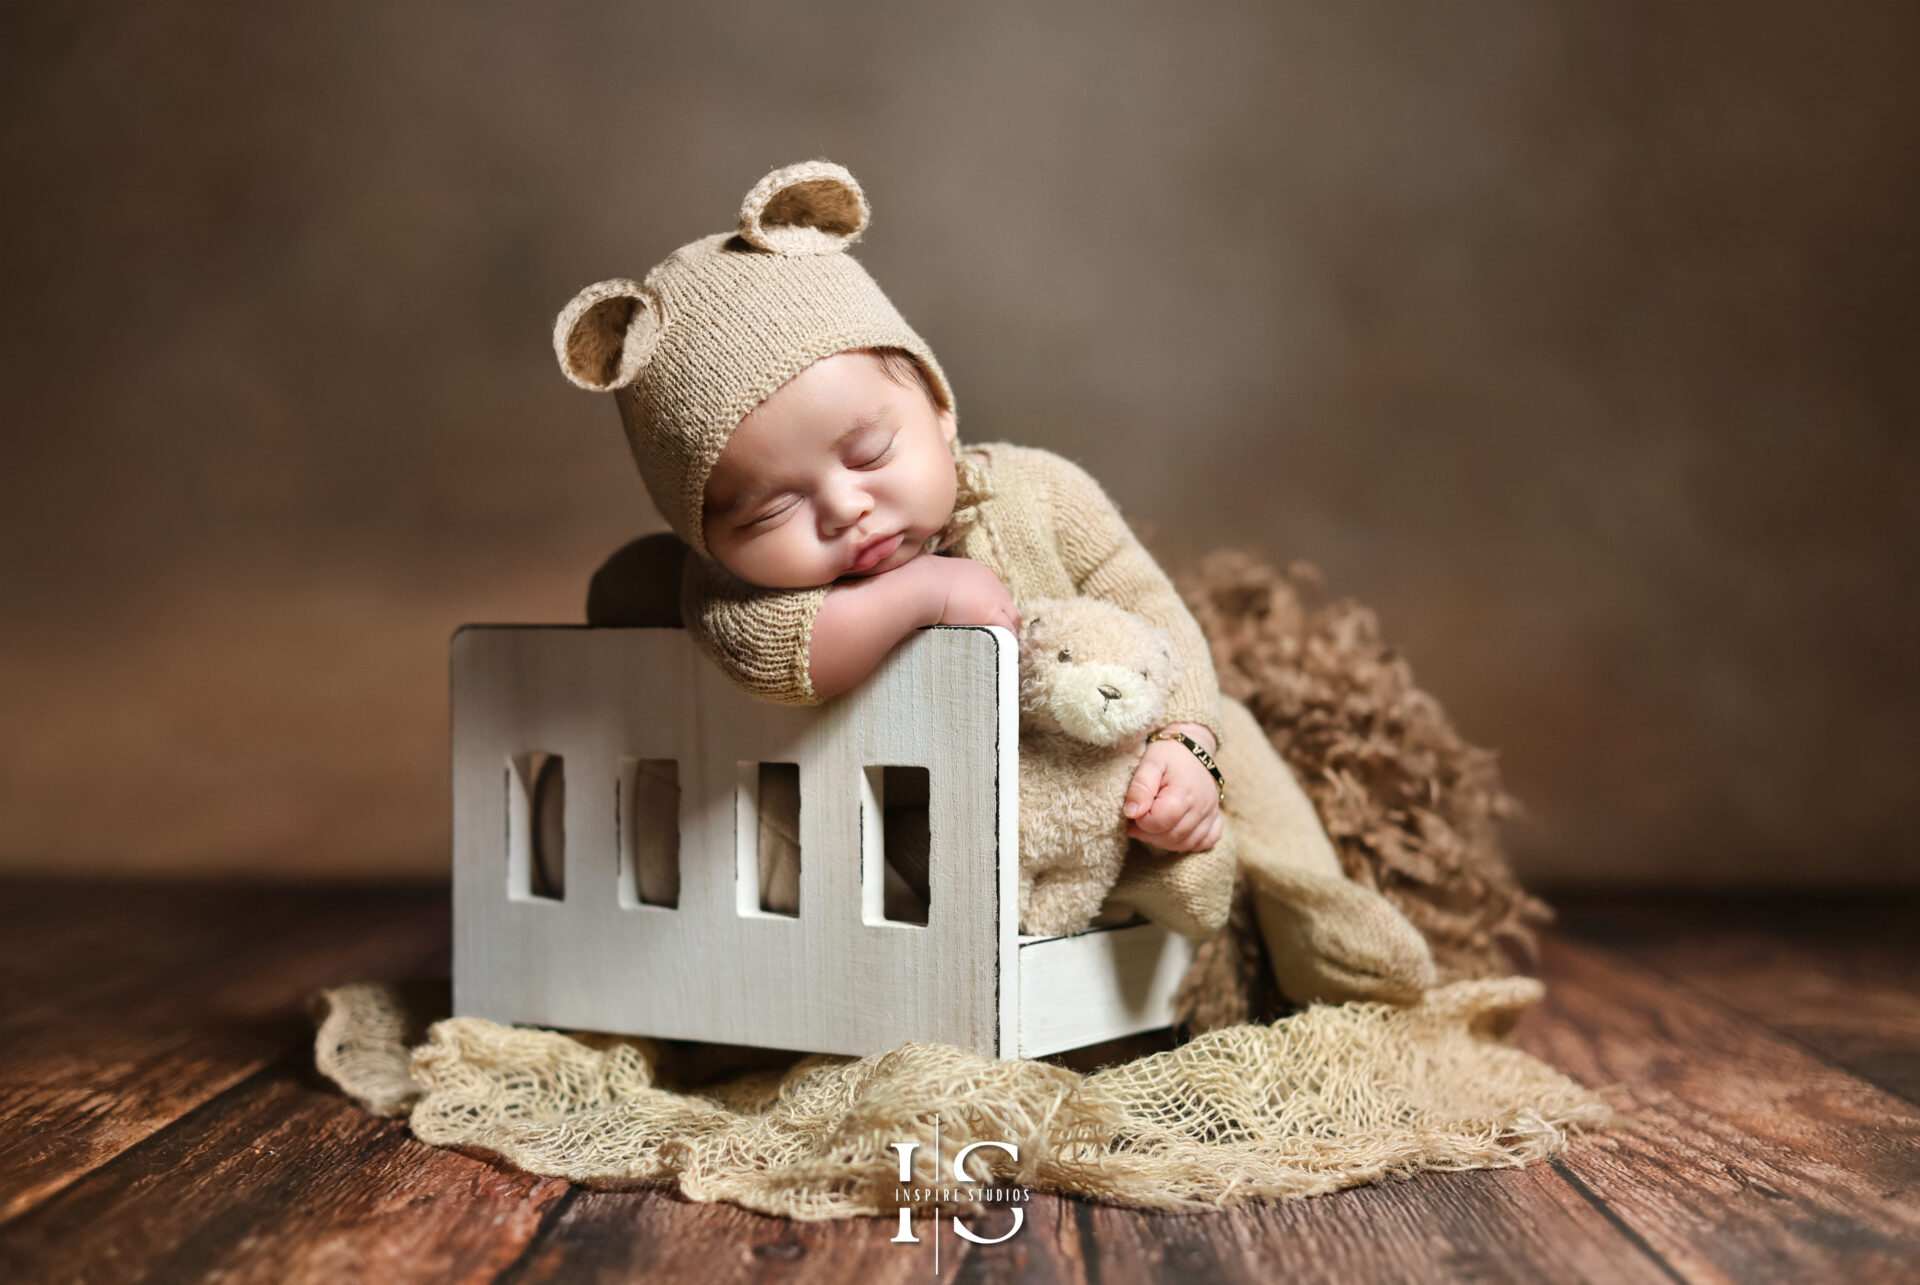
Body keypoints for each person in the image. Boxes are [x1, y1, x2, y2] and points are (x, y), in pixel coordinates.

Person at [554, 161, 1436, 1002]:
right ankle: (1057, 946)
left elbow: (1154, 612)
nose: (844, 510)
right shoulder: (734, 598)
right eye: (767, 513)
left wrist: (1186, 746)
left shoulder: (1041, 492)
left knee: (1232, 735)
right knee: (824, 840)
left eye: (869, 453)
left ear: (938, 408)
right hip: (921, 833)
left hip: (1098, 755)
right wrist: (924, 595)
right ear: (707, 544)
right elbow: (777, 655)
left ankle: (1315, 912)